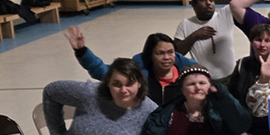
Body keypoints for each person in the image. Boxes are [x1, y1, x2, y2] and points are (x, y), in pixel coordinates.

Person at [68, 27, 198, 106]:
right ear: (150, 55)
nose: (167, 58)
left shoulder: (188, 77)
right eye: (160, 53)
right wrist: (82, 51)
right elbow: (102, 71)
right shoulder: (140, 74)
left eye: (170, 52)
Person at [173, 0, 238, 82]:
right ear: (194, 5)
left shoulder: (224, 16)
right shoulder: (185, 24)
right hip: (205, 80)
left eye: (211, 0)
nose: (208, 3)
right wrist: (194, 36)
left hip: (231, 77)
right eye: (203, 0)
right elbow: (177, 53)